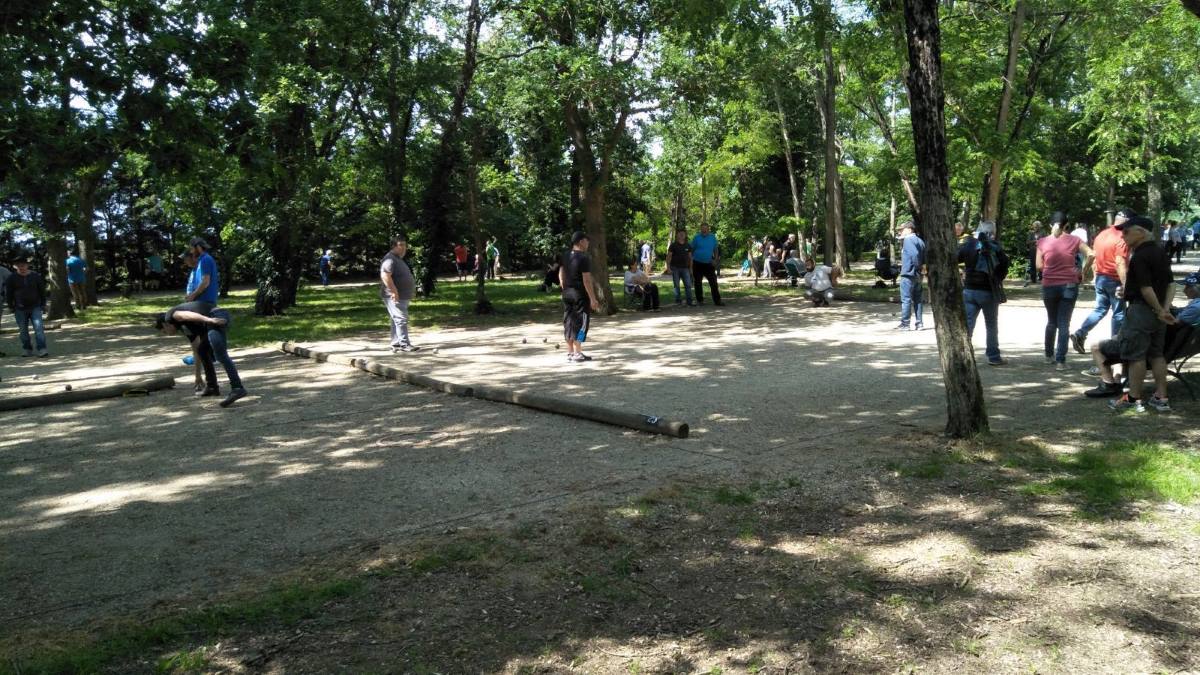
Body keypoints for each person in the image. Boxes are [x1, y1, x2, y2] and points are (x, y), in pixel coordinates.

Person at [1103, 216, 1175, 412]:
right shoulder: (1160, 252)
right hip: (1157, 313)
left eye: (1126, 232)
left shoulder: (1140, 255)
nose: (1122, 235)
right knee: (1157, 354)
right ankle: (1162, 396)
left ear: (1141, 232)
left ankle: (1133, 398)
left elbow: (1145, 288)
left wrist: (1160, 310)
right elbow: (1171, 284)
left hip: (1142, 311)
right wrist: (1164, 309)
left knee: (1136, 356)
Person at [156, 305, 248, 407]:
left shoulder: (170, 315)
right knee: (202, 350)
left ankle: (237, 388)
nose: (167, 334)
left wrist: (210, 320)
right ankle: (212, 387)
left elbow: (186, 315)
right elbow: (195, 350)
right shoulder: (185, 328)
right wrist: (198, 376)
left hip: (215, 315)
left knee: (220, 355)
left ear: (165, 324)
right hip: (210, 321)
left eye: (164, 331)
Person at [1070, 208, 1133, 356]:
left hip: (1101, 278)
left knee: (1099, 310)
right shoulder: (1123, 237)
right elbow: (1120, 262)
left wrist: (1094, 275)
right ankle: (1115, 345)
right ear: (1128, 222)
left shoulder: (1102, 234)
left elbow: (1095, 256)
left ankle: (1081, 332)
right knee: (1118, 314)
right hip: (1115, 279)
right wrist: (1125, 284)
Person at [1037, 212, 1092, 369]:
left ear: (1050, 225)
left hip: (1049, 285)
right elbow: (1091, 254)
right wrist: (1082, 271)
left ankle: (1048, 356)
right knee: (1064, 323)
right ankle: (1061, 361)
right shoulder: (1075, 240)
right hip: (1069, 284)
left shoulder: (1042, 241)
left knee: (1051, 321)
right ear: (1067, 225)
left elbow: (1038, 266)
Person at [957, 220, 1010, 365]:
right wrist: (997, 278)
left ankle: (964, 357)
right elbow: (1005, 265)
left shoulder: (968, 244)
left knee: (968, 325)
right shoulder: (996, 247)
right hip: (988, 291)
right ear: (992, 232)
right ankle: (993, 357)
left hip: (969, 290)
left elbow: (955, 257)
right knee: (991, 325)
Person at [560, 231, 600, 362]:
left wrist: (564, 287)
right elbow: (586, 280)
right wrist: (593, 298)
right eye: (587, 241)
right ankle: (578, 353)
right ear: (581, 242)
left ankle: (570, 353)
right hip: (579, 295)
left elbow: (561, 272)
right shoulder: (583, 258)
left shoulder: (565, 255)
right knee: (582, 323)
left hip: (567, 293)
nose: (588, 243)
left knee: (569, 322)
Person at [380, 236, 419, 353]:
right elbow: (385, 275)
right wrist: (393, 291)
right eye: (400, 245)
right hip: (394, 295)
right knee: (401, 319)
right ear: (393, 246)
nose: (404, 248)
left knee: (396, 319)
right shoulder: (390, 259)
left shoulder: (397, 259)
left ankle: (396, 343)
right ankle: (404, 344)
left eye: (405, 245)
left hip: (402, 295)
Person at [5, 257, 48, 357]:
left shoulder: (35, 276)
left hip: (35, 306)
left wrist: (44, 304)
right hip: (19, 308)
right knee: (23, 330)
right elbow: (9, 293)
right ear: (16, 267)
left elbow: (42, 290)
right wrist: (10, 306)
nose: (21, 267)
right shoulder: (12, 278)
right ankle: (27, 348)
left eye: (23, 265)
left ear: (27, 265)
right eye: (19, 266)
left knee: (39, 328)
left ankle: (42, 348)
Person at [895, 221, 926, 331]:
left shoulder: (908, 239)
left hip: (908, 274)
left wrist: (917, 266)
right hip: (918, 275)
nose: (900, 232)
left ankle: (905, 324)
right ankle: (919, 323)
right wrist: (922, 269)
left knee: (906, 300)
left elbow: (915, 255)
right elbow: (924, 257)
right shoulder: (920, 241)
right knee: (918, 300)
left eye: (902, 229)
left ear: (909, 229)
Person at [690, 223, 723, 306]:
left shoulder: (712, 237)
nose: (704, 230)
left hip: (709, 263)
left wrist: (715, 260)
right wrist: (691, 261)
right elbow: (691, 250)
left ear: (708, 229)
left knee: (713, 282)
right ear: (700, 229)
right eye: (702, 229)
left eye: (705, 229)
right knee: (697, 282)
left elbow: (715, 249)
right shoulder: (696, 237)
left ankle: (717, 300)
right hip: (697, 263)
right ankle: (700, 300)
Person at [185, 237, 219, 312]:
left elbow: (205, 282)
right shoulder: (200, 261)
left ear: (198, 247)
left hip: (205, 303)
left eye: (192, 249)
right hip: (198, 302)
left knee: (173, 313)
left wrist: (192, 296)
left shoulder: (206, 259)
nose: (191, 252)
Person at [664, 229, 695, 306]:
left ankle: (689, 301)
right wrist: (668, 268)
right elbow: (669, 257)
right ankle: (678, 300)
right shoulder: (673, 245)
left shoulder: (688, 245)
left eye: (683, 234)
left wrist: (691, 268)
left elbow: (691, 258)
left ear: (685, 235)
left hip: (685, 268)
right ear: (677, 235)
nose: (681, 235)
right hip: (675, 268)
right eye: (680, 233)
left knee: (688, 285)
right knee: (676, 285)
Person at [1023, 220, 1042, 286]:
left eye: (1037, 227)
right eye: (1035, 227)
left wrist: (1040, 241)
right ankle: (1033, 279)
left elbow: (1046, 240)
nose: (1036, 228)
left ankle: (1041, 278)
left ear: (1040, 227)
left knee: (1041, 264)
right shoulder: (1031, 233)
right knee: (1033, 264)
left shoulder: (1043, 233)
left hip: (1041, 250)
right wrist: (1034, 241)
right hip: (1033, 250)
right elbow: (1027, 242)